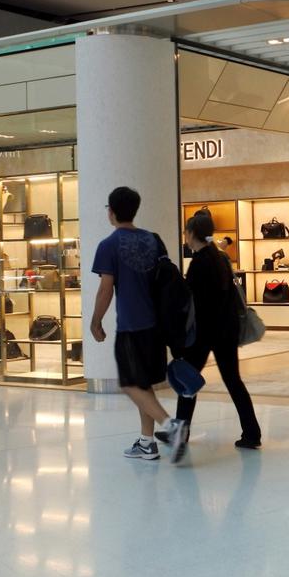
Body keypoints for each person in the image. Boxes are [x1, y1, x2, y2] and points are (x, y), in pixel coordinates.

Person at [89, 186, 185, 460]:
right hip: (157, 326)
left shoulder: (109, 245)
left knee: (130, 384)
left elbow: (105, 289)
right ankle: (147, 442)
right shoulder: (153, 240)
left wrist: (96, 321)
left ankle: (171, 427)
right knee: (144, 385)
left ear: (112, 211)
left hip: (132, 325)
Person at [172, 211, 262, 462]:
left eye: (186, 233)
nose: (185, 238)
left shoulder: (199, 262)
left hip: (204, 332)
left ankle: (180, 433)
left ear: (191, 234)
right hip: (226, 330)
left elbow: (192, 303)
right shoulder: (221, 258)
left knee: (188, 381)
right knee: (233, 380)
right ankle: (252, 432)